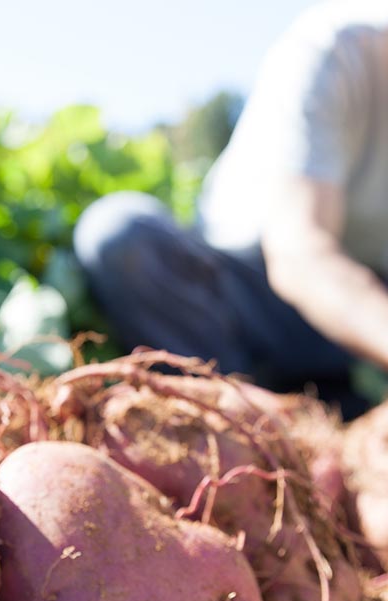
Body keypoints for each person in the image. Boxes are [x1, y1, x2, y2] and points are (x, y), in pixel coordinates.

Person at [72, 1, 388, 417]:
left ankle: (333, 420)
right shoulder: (337, 48)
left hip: (355, 333)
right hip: (247, 291)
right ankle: (231, 416)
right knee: (119, 234)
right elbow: (299, 254)